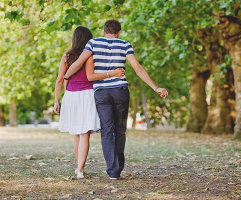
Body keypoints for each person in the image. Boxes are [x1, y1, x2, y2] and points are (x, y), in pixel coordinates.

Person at [64, 19, 169, 179]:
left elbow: (78, 63)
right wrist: (156, 87)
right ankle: (117, 170)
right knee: (120, 130)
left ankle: (112, 171)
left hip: (102, 92)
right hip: (120, 91)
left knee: (107, 131)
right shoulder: (125, 45)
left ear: (104, 31)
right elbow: (138, 68)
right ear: (119, 32)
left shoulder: (93, 43)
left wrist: (66, 76)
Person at [54, 26, 125, 179]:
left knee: (77, 134)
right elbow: (91, 76)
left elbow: (59, 79)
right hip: (86, 95)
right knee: (84, 133)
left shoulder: (66, 57)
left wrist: (56, 101)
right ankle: (80, 170)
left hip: (71, 96)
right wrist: (111, 74)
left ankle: (79, 168)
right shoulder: (90, 55)